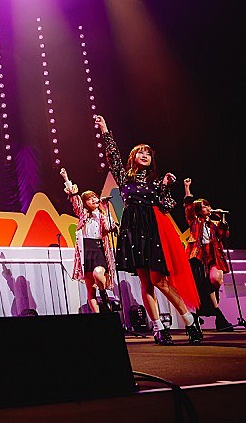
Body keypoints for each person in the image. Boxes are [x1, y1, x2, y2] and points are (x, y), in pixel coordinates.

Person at [96, 115, 202, 345]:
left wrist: (165, 186)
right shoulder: (124, 178)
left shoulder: (156, 183)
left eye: (148, 153)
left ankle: (189, 320)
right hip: (133, 230)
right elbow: (113, 157)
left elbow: (167, 206)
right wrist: (105, 130)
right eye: (140, 152)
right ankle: (158, 328)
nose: (144, 155)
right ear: (133, 157)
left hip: (153, 231)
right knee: (146, 282)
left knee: (159, 280)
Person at [60, 167, 118, 313]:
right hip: (86, 250)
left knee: (98, 273)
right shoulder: (83, 214)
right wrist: (66, 179)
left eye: (95, 197)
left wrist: (105, 208)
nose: (94, 199)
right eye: (90, 198)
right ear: (85, 203)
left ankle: (103, 293)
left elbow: (109, 227)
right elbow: (75, 198)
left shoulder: (102, 215)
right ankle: (98, 317)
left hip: (99, 249)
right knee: (90, 289)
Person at [182, 178, 234, 331]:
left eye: (208, 205)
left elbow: (224, 235)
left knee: (215, 280)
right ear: (199, 210)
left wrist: (222, 218)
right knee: (202, 285)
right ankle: (217, 315)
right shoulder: (194, 221)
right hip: (198, 256)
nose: (208, 208)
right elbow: (188, 206)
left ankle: (212, 309)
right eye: (204, 206)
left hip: (213, 255)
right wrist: (187, 187)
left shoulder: (214, 223)